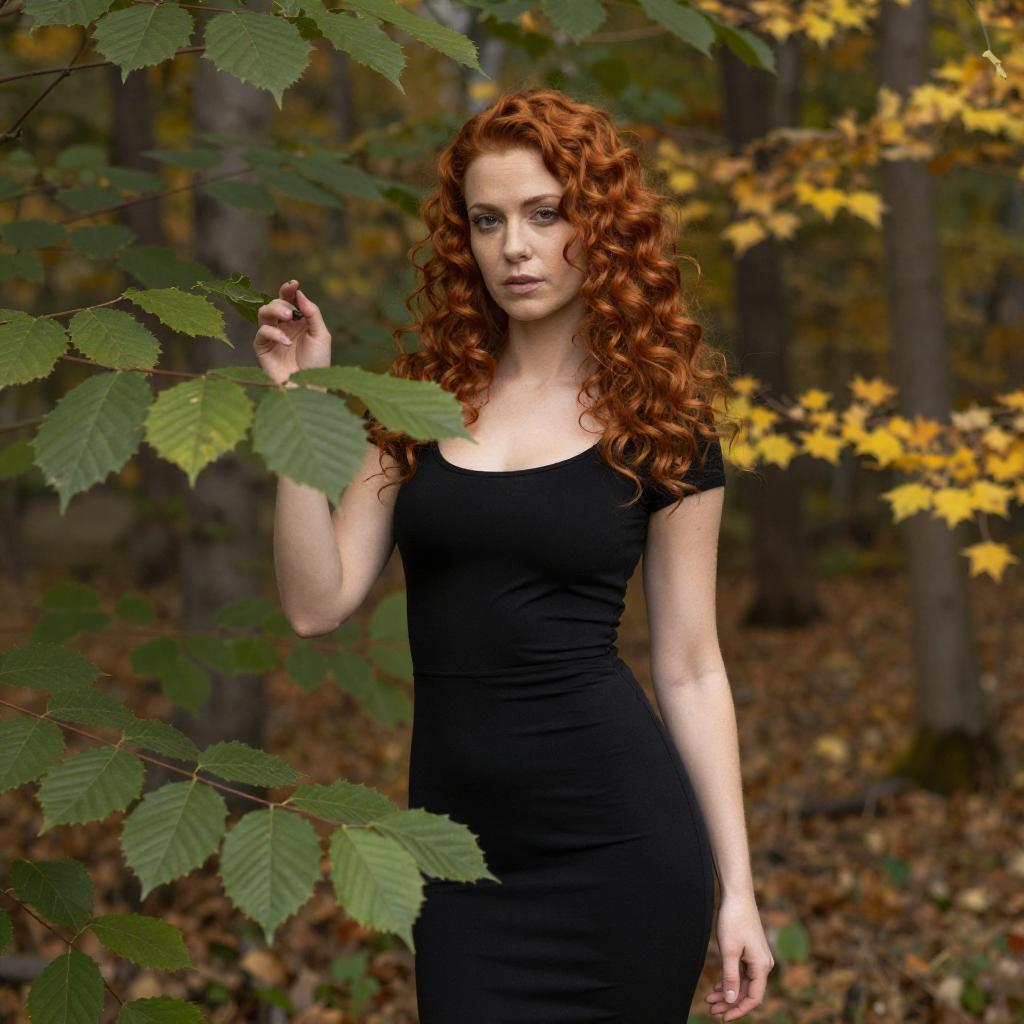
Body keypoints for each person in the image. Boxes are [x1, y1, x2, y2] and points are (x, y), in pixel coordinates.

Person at [256, 87, 773, 1024]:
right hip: (459, 860)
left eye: (544, 213)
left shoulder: (661, 423)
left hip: (622, 853)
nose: (515, 247)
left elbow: (692, 667)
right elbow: (313, 604)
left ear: (598, 223)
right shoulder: (416, 404)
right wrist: (298, 404)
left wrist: (738, 889)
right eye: (487, 221)